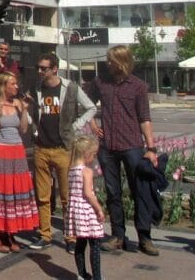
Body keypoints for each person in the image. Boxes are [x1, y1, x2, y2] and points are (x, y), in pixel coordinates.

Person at [87, 44, 160, 256]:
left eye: (111, 60)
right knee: (113, 192)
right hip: (108, 146)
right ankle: (118, 235)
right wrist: (92, 123)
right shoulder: (101, 83)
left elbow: (144, 118)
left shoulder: (138, 86)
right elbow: (84, 102)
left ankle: (145, 238)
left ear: (121, 62)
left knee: (140, 192)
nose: (107, 63)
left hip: (132, 146)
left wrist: (151, 147)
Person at [26, 52, 96, 252]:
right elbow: (30, 110)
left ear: (54, 69)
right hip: (41, 147)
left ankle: (70, 237)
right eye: (38, 68)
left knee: (67, 195)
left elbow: (91, 107)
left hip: (63, 148)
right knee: (43, 195)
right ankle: (45, 234)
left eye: (44, 68)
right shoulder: (36, 88)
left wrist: (75, 127)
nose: (40, 71)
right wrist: (33, 127)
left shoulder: (70, 87)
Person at [0, 72, 39, 253]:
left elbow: (23, 129)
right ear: (3, 85)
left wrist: (25, 110)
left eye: (16, 84)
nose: (16, 87)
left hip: (17, 149)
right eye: (12, 84)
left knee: (15, 191)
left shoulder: (18, 103)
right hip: (0, 149)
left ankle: (11, 232)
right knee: (2, 190)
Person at [66, 135, 106, 280]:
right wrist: (99, 209)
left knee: (80, 243)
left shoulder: (71, 170)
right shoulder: (86, 171)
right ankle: (97, 276)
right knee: (94, 243)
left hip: (75, 211)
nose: (94, 158)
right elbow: (89, 194)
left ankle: (82, 274)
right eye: (94, 154)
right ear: (86, 154)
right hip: (87, 211)